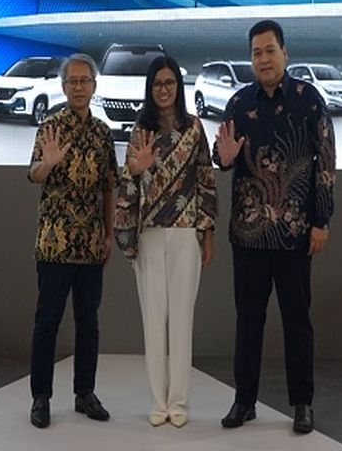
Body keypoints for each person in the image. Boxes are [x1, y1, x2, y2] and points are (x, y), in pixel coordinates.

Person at [213, 19, 335, 435]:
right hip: (248, 234)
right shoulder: (238, 102)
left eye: (269, 50)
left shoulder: (308, 99)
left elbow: (326, 161)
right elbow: (221, 156)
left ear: (285, 53)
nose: (263, 59)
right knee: (248, 321)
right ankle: (244, 401)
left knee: (297, 320)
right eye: (256, 53)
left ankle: (302, 403)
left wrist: (321, 220)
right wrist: (224, 157)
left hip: (294, 234)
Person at [115, 56, 217, 427]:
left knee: (182, 321)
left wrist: (207, 232)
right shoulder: (141, 130)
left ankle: (180, 404)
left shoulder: (194, 128)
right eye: (157, 83)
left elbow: (205, 179)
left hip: (186, 233)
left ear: (178, 86)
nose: (163, 89)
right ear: (150, 88)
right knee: (154, 320)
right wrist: (135, 168)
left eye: (169, 82)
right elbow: (127, 180)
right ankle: (158, 402)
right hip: (149, 233)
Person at [26, 53, 117, 429]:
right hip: (55, 244)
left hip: (91, 244)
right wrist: (47, 163)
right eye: (72, 82)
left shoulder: (103, 133)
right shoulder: (50, 127)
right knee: (47, 323)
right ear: (63, 87)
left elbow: (108, 187)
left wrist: (109, 234)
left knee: (89, 324)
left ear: (94, 87)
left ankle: (85, 393)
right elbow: (34, 174)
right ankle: (41, 398)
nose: (79, 87)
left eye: (85, 81)